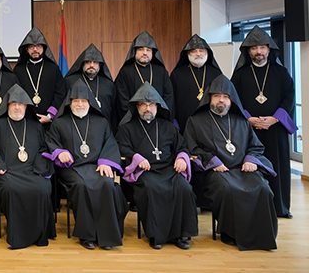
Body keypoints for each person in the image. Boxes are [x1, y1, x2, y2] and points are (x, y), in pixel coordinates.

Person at [184, 75, 278, 250]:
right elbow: (191, 148)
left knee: (263, 188)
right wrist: (212, 161)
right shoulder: (195, 121)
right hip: (215, 171)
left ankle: (262, 236)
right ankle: (231, 233)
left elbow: (256, 146)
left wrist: (250, 160)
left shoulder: (241, 121)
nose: (221, 100)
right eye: (217, 96)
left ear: (231, 100)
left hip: (243, 169)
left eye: (226, 96)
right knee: (228, 190)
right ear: (209, 98)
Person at [46, 80, 126, 250]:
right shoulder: (60, 122)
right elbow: (50, 142)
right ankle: (87, 235)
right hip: (71, 168)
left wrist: (105, 161)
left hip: (97, 166)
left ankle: (107, 235)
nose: (80, 104)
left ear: (89, 102)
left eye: (83, 101)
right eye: (76, 101)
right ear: (70, 102)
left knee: (108, 183)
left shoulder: (101, 122)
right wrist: (60, 151)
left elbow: (110, 143)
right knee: (81, 186)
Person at [116, 83, 197, 250]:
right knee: (152, 189)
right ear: (136, 106)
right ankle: (156, 235)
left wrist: (182, 158)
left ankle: (181, 235)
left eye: (151, 104)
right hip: (145, 172)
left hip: (169, 169)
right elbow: (122, 148)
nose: (147, 108)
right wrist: (137, 158)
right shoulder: (126, 128)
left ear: (157, 106)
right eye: (143, 104)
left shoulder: (168, 127)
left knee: (184, 188)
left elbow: (182, 146)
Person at [230, 26, 296, 219]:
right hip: (249, 129)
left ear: (269, 49)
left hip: (275, 129)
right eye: (254, 48)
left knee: (279, 168)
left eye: (262, 47)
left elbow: (289, 97)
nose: (258, 52)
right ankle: (251, 208)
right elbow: (234, 99)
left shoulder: (281, 73)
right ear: (248, 51)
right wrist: (249, 118)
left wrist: (274, 119)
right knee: (250, 167)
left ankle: (280, 207)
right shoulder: (240, 75)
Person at [0, 84, 55, 249]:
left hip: (31, 171)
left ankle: (39, 234)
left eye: (21, 104)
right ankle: (18, 235)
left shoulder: (35, 126)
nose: (17, 107)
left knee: (43, 186)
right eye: (13, 104)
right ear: (7, 105)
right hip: (8, 172)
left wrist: (39, 169)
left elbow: (42, 149)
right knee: (10, 188)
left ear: (26, 106)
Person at [115, 31, 174, 122]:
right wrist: (134, 115)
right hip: (133, 121)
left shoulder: (161, 71)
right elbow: (122, 99)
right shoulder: (126, 72)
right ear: (134, 52)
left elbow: (168, 95)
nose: (145, 53)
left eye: (148, 50)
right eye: (141, 49)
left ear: (153, 53)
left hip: (157, 120)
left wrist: (159, 114)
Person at [13, 28, 67, 125]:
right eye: (31, 47)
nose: (35, 49)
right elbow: (15, 96)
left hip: (49, 122)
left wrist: (50, 115)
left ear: (44, 48)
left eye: (38, 46)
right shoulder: (19, 70)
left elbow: (60, 93)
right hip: (26, 121)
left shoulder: (53, 68)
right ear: (26, 49)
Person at [170, 35, 223, 132]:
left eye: (201, 50)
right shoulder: (177, 74)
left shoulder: (216, 73)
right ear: (187, 54)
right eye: (194, 51)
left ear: (207, 52)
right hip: (185, 124)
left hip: (212, 123)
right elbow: (172, 100)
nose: (198, 54)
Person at [65, 43, 116, 125]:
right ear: (82, 64)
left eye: (95, 62)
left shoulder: (108, 84)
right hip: (76, 126)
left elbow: (114, 111)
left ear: (100, 65)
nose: (91, 65)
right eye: (88, 62)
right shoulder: (70, 81)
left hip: (103, 127)